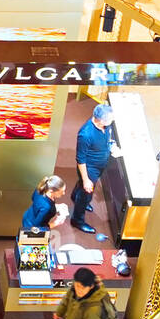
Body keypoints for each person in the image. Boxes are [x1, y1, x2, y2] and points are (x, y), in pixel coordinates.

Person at [71, 102, 115, 233]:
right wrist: (86, 180)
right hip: (90, 169)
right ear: (101, 120)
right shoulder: (85, 134)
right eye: (111, 118)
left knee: (83, 190)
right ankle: (77, 220)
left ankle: (75, 195)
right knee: (86, 192)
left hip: (99, 166)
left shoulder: (105, 127)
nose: (113, 120)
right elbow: (81, 159)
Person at [21, 175, 67, 249]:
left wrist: (56, 206)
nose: (64, 193)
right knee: (34, 249)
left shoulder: (40, 189)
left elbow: (34, 200)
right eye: (61, 191)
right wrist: (55, 223)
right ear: (52, 191)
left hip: (27, 216)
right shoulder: (46, 208)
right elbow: (37, 227)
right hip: (32, 228)